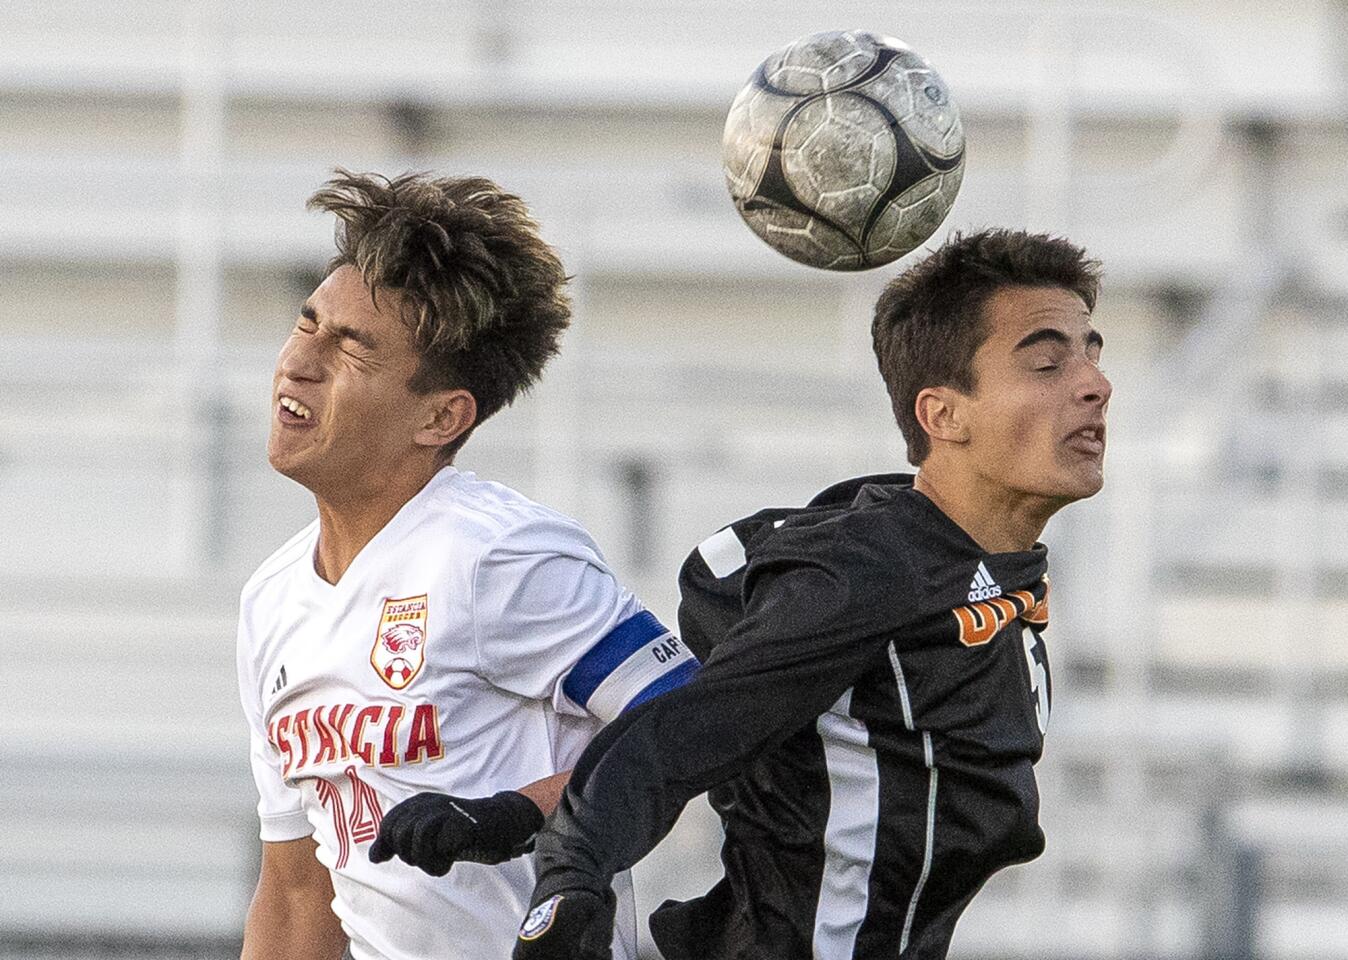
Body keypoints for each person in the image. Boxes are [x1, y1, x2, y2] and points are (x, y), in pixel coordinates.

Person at [513, 229, 1111, 960]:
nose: (1093, 383)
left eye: (1092, 354)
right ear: (942, 415)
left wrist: (514, 812)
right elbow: (684, 739)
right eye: (1049, 362)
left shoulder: (980, 564)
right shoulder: (872, 568)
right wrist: (570, 883)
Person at [235, 170, 698, 960]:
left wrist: (510, 812)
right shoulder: (272, 598)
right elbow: (297, 892)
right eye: (307, 324)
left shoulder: (498, 554)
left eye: (351, 348)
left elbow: (690, 721)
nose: (299, 363)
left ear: (441, 415)